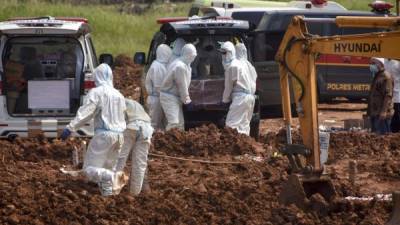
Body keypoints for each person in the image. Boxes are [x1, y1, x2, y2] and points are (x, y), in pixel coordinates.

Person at [60, 63, 128, 196]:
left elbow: (86, 112)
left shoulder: (97, 92)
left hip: (104, 136)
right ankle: (108, 197)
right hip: (120, 136)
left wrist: (70, 128)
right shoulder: (119, 95)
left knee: (89, 170)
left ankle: (113, 177)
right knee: (106, 168)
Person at [114, 98, 154, 195]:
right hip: (146, 130)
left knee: (119, 159)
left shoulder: (116, 103)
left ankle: (115, 191)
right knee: (140, 163)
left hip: (131, 127)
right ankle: (134, 193)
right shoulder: (134, 103)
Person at [219, 41, 255, 135]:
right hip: (249, 98)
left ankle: (230, 149)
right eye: (222, 53)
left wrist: (225, 100)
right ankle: (245, 147)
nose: (223, 55)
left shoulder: (233, 66)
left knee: (231, 125)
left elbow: (228, 86)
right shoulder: (244, 64)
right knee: (244, 126)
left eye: (224, 53)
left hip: (240, 99)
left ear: (231, 52)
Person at [160, 43, 197, 131]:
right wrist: (187, 101)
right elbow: (182, 85)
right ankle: (166, 142)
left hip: (175, 97)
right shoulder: (179, 66)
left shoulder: (185, 64)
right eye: (192, 56)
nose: (193, 58)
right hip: (169, 96)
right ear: (187, 55)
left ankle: (179, 144)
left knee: (180, 124)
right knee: (174, 123)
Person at [145, 44, 172, 131]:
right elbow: (158, 87)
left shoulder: (164, 65)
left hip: (162, 98)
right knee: (154, 124)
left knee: (164, 125)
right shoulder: (157, 66)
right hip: (156, 99)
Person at [367, 57, 394, 135]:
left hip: (381, 114)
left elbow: (388, 96)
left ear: (380, 64)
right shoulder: (377, 75)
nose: (371, 66)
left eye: (373, 63)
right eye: (371, 63)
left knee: (383, 138)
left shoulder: (386, 77)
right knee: (376, 138)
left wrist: (384, 111)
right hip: (375, 112)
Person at [385, 59, 400, 132]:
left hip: (397, 93)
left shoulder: (397, 63)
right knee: (387, 113)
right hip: (386, 94)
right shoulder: (384, 61)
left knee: (396, 114)